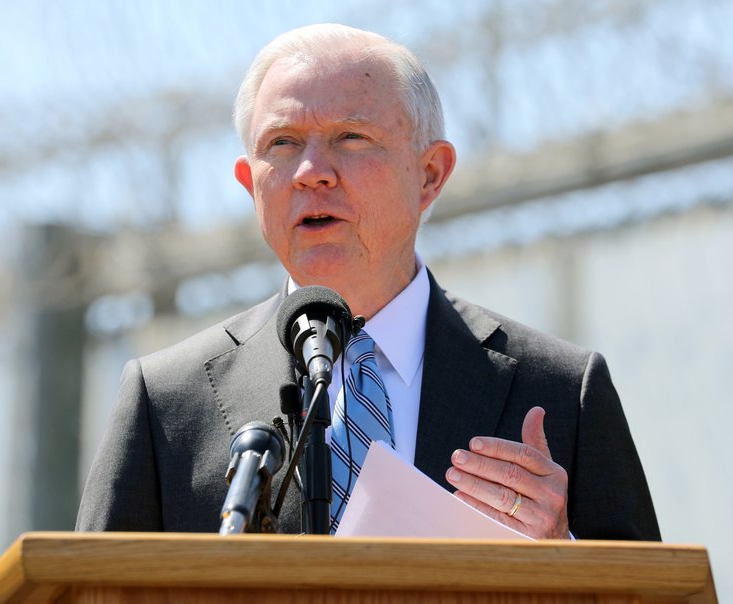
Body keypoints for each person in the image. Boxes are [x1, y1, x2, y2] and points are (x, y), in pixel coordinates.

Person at [76, 23, 660, 540]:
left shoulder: (560, 391)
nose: (311, 173)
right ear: (249, 183)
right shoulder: (167, 400)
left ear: (430, 174)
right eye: (282, 143)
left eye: (350, 138)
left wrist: (562, 555)